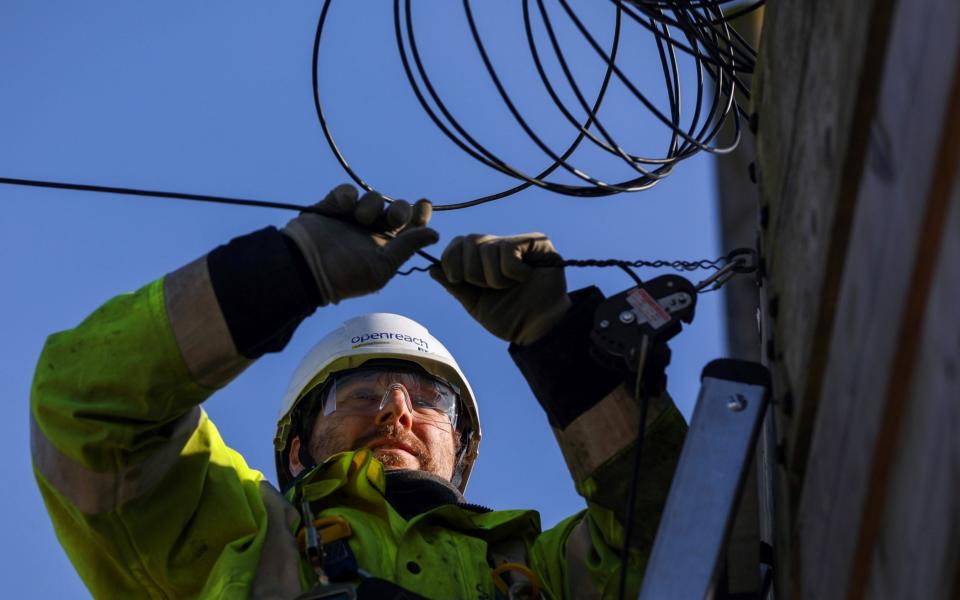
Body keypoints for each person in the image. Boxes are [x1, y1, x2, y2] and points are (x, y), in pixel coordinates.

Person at [30, 184, 687, 599]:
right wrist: (288, 270)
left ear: (461, 453)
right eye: (361, 391)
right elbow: (83, 412)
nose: (398, 409)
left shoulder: (536, 572)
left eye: (432, 402)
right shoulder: (243, 541)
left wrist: (558, 342)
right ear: (296, 451)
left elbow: (688, 551)